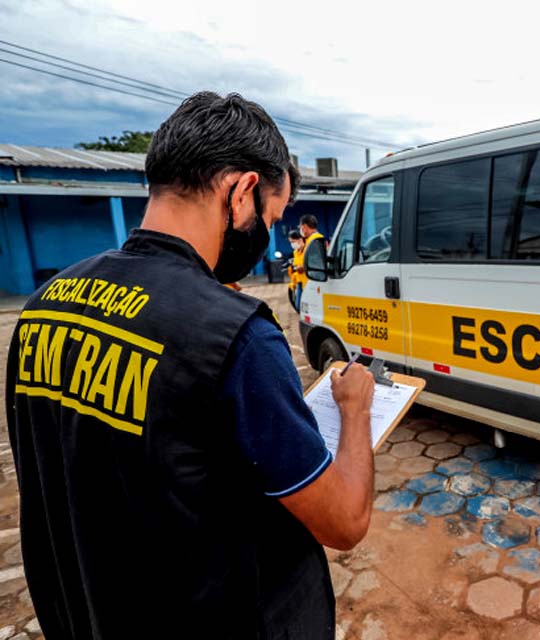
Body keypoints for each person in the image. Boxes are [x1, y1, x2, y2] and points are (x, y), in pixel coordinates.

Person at [5, 92, 375, 640]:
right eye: (271, 219)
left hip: (87, 611)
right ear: (243, 191)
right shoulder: (235, 335)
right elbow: (344, 521)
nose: (267, 237)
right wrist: (356, 410)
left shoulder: (44, 306)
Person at [287, 228, 305, 310]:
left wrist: (302, 267)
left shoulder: (307, 250)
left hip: (307, 281)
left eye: (293, 242)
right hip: (299, 281)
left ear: (300, 240)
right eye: (291, 242)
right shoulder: (295, 252)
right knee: (298, 306)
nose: (292, 244)